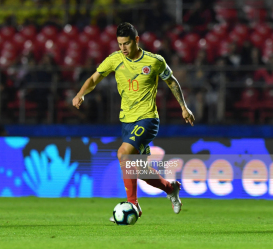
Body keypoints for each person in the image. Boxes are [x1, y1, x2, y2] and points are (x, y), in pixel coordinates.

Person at [72, 23, 195, 222]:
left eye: (127, 43)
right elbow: (94, 79)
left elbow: (171, 81)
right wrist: (80, 94)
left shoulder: (154, 61)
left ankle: (133, 205)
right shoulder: (114, 59)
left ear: (136, 40)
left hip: (147, 119)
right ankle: (171, 188)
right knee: (138, 170)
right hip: (127, 122)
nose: (123, 48)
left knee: (123, 153)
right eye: (120, 44)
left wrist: (184, 107)